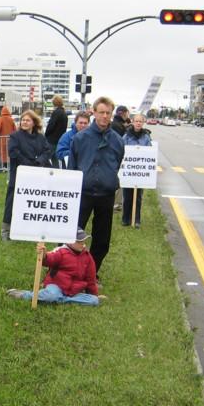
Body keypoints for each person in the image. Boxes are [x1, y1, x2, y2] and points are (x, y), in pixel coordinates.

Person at [68, 97, 125, 276]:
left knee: (102, 239)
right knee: (72, 233)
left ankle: (91, 272)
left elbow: (117, 162)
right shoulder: (80, 138)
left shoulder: (117, 140)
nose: (105, 116)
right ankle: (68, 268)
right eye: (101, 112)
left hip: (105, 195)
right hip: (83, 193)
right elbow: (73, 165)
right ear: (94, 112)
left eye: (108, 113)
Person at [6, 228, 99, 306]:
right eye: (79, 242)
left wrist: (93, 294)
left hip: (74, 291)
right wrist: (44, 254)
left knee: (94, 300)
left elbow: (91, 279)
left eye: (84, 241)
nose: (83, 244)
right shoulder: (61, 252)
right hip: (56, 286)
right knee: (51, 295)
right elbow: (48, 260)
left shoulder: (87, 256)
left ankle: (58, 300)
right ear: (70, 242)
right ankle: (25, 295)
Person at [1, 110, 52, 241]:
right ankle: (6, 230)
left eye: (27, 120)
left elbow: (47, 151)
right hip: (18, 174)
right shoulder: (15, 136)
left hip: (36, 175)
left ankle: (29, 229)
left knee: (32, 203)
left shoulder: (40, 137)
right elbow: (13, 152)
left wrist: (38, 161)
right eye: (23, 120)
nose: (24, 122)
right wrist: (28, 163)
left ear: (34, 123)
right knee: (12, 201)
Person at [122, 114, 152, 228]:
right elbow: (122, 149)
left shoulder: (146, 137)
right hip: (129, 170)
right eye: (136, 121)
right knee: (127, 195)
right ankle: (126, 219)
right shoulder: (126, 136)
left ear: (143, 122)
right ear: (132, 122)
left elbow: (150, 152)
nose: (138, 123)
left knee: (138, 196)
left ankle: (137, 219)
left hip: (140, 171)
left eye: (140, 121)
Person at [44, 95, 68, 168]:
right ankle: (57, 171)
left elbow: (51, 126)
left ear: (54, 103)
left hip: (52, 140)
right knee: (55, 158)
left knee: (45, 157)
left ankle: (44, 172)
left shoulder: (56, 112)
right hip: (59, 139)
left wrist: (46, 135)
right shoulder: (64, 113)